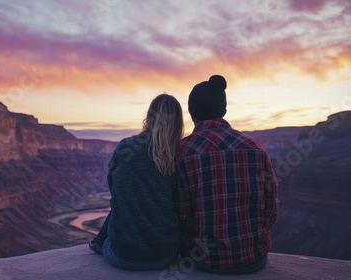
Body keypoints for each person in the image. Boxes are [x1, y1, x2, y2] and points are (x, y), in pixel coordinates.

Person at [175, 75, 279, 274]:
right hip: (254, 258)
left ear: (191, 112)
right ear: (224, 110)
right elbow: (271, 206)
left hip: (205, 261)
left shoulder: (182, 152)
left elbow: (182, 216)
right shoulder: (255, 148)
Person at [89, 93, 184, 270]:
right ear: (178, 122)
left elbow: (114, 189)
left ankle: (98, 243)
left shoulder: (126, 147)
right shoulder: (180, 154)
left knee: (120, 204)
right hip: (166, 255)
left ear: (149, 117)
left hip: (123, 255)